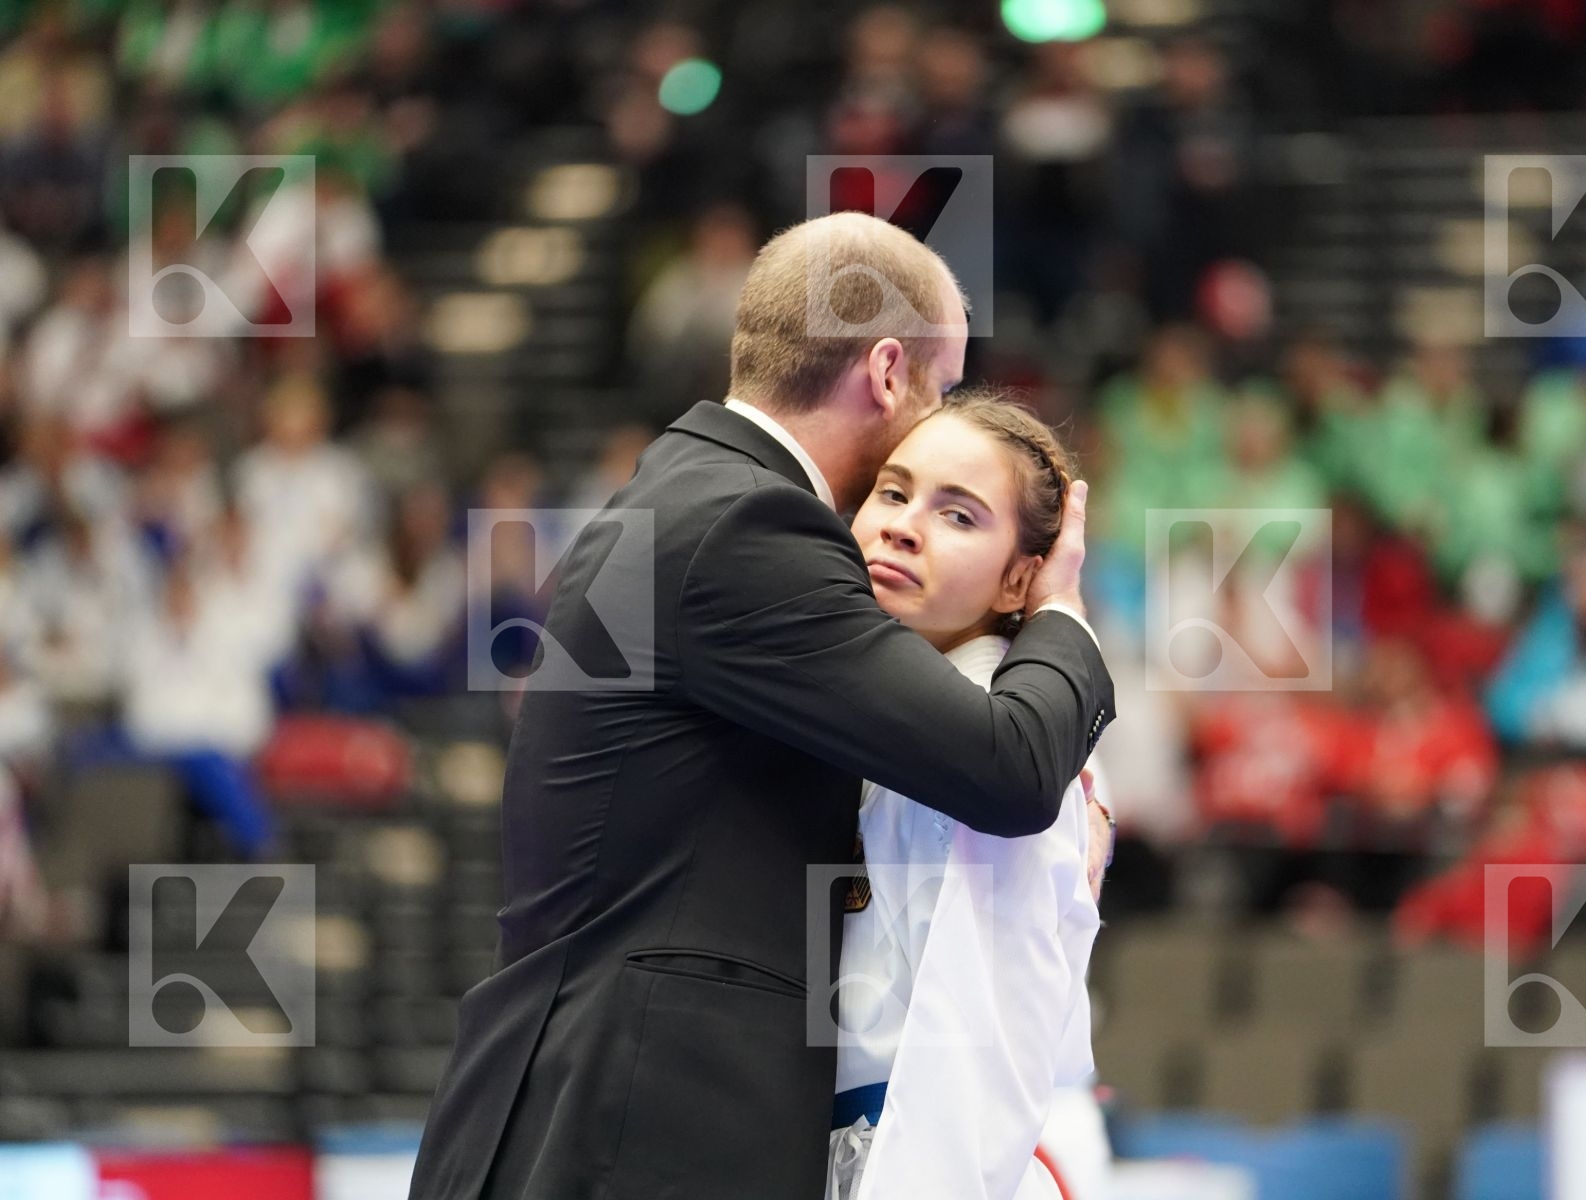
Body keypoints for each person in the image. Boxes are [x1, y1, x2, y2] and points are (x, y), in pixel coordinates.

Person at [408, 212, 1116, 1200]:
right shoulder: (747, 524)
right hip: (628, 1130)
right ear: (886, 372)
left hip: (580, 1107)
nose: (940, 424)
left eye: (956, 511)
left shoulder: (684, 495)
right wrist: (1065, 613)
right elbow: (1009, 767)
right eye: (943, 388)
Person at [825, 396, 1107, 1200]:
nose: (903, 527)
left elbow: (981, 1029)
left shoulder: (995, 745)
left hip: (924, 1157)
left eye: (959, 515)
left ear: (1020, 577)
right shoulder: (887, 710)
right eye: (892, 491)